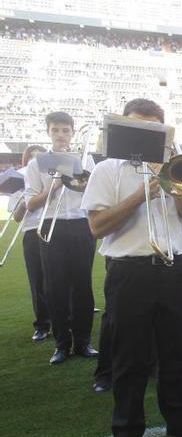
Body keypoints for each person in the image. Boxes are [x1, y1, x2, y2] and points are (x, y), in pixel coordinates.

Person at [81, 98, 182, 437]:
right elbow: (97, 227)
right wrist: (141, 194)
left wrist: (170, 181)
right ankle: (126, 433)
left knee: (175, 351)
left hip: (173, 269)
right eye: (137, 127)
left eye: (152, 129)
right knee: (129, 357)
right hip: (129, 273)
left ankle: (180, 421)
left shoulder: (176, 168)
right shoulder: (106, 170)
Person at [23, 111, 98, 364]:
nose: (61, 135)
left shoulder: (86, 161)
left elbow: (96, 195)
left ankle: (83, 341)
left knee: (82, 286)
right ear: (48, 133)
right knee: (54, 288)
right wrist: (53, 187)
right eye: (55, 130)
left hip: (80, 226)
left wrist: (83, 181)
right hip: (51, 227)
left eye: (65, 130)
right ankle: (62, 344)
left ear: (72, 133)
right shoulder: (37, 164)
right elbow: (30, 204)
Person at [13, 145, 51, 342]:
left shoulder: (50, 177)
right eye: (31, 159)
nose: (35, 162)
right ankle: (42, 324)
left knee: (58, 278)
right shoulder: (21, 184)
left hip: (53, 229)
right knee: (37, 280)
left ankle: (64, 319)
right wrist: (25, 199)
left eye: (39, 157)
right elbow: (17, 218)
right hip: (32, 232)